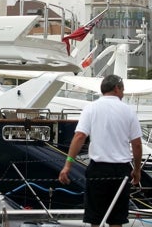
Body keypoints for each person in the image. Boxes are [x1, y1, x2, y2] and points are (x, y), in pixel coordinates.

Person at [58, 74, 142, 227]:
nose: (123, 93)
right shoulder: (128, 111)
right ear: (117, 88)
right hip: (121, 171)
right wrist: (137, 170)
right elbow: (136, 144)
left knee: (95, 218)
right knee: (116, 219)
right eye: (122, 89)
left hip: (98, 170)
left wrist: (68, 165)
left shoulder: (91, 108)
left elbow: (79, 137)